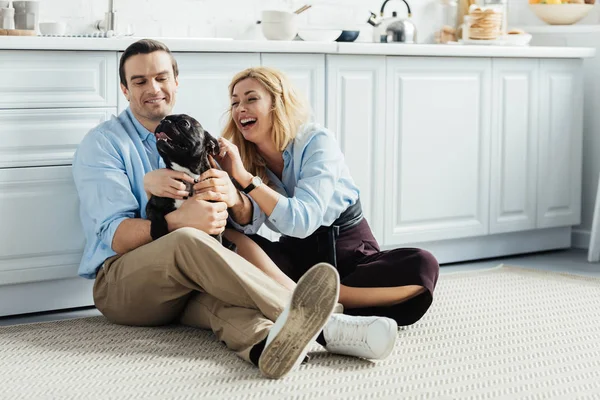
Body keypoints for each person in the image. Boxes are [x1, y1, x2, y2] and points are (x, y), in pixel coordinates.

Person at [72, 39, 399, 380]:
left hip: (188, 284)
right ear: (124, 90)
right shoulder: (103, 145)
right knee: (186, 239)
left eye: (161, 77)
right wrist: (175, 220)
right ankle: (329, 324)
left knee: (230, 307)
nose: (153, 88)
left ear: (176, 82)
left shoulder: (193, 136)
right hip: (124, 285)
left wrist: (236, 196)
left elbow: (246, 223)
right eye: (139, 81)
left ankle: (265, 348)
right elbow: (117, 237)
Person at [211, 66, 440, 327]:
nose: (240, 108)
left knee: (422, 265)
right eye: (234, 102)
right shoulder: (243, 160)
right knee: (226, 237)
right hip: (295, 260)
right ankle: (309, 300)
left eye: (251, 98)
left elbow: (303, 220)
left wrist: (245, 180)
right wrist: (230, 192)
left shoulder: (315, 141)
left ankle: (325, 302)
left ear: (278, 102)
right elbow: (250, 224)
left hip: (350, 255)